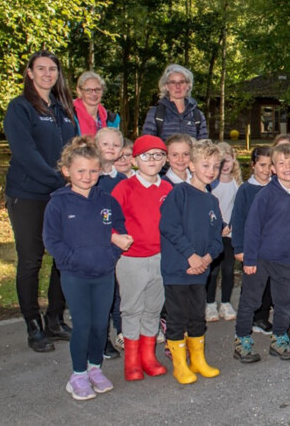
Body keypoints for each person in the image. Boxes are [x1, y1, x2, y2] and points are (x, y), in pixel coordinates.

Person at [42, 137, 133, 400]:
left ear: (101, 170)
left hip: (104, 272)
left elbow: (120, 230)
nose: (87, 176)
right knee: (82, 324)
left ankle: (95, 368)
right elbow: (52, 240)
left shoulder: (107, 202)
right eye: (80, 170)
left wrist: (111, 253)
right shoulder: (58, 203)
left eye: (93, 170)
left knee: (99, 324)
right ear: (66, 171)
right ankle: (78, 375)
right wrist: (70, 260)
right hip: (74, 275)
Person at [4, 50, 77, 353]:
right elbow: (25, 153)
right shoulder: (20, 108)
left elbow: (74, 148)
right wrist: (60, 179)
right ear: (30, 73)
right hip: (28, 194)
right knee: (31, 260)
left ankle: (55, 319)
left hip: (61, 194)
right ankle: (33, 326)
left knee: (63, 257)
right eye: (41, 69)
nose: (48, 74)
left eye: (53, 69)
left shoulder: (63, 110)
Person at [233, 143, 290, 363]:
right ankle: (242, 340)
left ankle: (279, 339)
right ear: (273, 169)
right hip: (259, 258)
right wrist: (249, 258)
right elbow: (252, 227)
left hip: (286, 260)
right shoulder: (265, 195)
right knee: (251, 301)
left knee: (284, 301)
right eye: (282, 163)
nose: (288, 167)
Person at [158, 139, 223, 384]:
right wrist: (191, 255)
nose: (210, 171)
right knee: (177, 318)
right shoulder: (179, 193)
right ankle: (180, 365)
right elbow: (169, 226)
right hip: (178, 270)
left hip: (200, 272)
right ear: (192, 165)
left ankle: (198, 360)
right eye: (205, 165)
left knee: (197, 316)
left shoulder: (212, 202)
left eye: (215, 166)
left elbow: (217, 240)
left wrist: (205, 259)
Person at [110, 135, 173, 382]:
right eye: (146, 155)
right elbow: (110, 220)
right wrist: (116, 236)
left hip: (160, 258)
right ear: (135, 159)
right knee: (132, 308)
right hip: (132, 259)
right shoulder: (124, 188)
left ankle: (148, 357)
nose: (152, 160)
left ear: (165, 160)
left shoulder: (168, 188)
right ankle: (132, 360)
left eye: (158, 155)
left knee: (153, 309)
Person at [231, 146, 274, 335]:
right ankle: (245, 321)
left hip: (273, 248)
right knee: (251, 288)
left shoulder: (278, 187)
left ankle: (261, 319)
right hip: (252, 248)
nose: (266, 170)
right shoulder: (245, 190)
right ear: (253, 165)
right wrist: (239, 248)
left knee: (268, 287)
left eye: (270, 165)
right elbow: (238, 220)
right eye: (262, 165)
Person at [93, 127, 126, 360]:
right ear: (96, 146)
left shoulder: (123, 180)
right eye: (106, 144)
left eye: (115, 145)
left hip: (120, 245)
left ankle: (122, 332)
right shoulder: (90, 177)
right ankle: (100, 339)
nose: (111, 148)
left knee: (119, 292)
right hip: (98, 245)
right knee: (102, 294)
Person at [206, 143, 241, 322]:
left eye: (228, 159)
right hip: (215, 233)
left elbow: (238, 207)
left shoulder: (236, 182)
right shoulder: (212, 183)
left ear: (234, 159)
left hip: (230, 235)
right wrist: (220, 226)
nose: (225, 164)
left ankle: (226, 302)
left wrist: (232, 225)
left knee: (228, 270)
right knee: (213, 271)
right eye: (221, 161)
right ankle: (210, 303)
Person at [142, 64, 208, 141]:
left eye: (182, 82)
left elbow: (204, 147)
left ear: (188, 85)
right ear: (166, 86)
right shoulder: (156, 113)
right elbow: (146, 144)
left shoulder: (198, 116)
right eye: (173, 82)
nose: (178, 86)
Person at [73, 71, 120, 136]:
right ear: (79, 91)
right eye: (88, 90)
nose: (94, 94)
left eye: (98, 89)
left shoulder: (111, 119)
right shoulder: (69, 116)